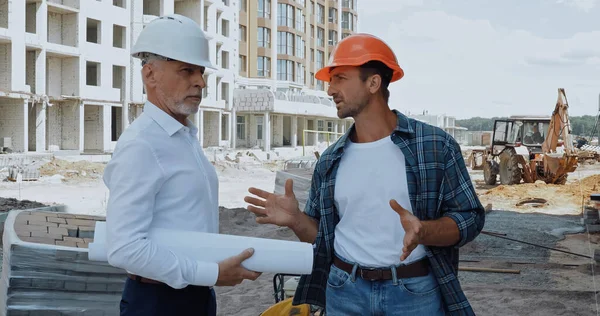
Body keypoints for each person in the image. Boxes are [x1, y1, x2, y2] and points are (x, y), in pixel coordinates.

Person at [244, 33, 485, 316]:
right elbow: (321, 239)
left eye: (340, 78)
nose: (330, 90)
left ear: (373, 83)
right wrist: (297, 220)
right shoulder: (331, 160)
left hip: (414, 293)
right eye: (330, 80)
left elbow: (471, 217)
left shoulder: (434, 146)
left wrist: (425, 231)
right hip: (344, 292)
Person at [103, 14, 260, 316]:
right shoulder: (142, 144)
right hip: (158, 301)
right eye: (186, 70)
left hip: (194, 297)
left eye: (200, 72)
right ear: (150, 76)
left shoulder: (183, 137)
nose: (200, 81)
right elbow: (124, 247)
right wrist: (210, 273)